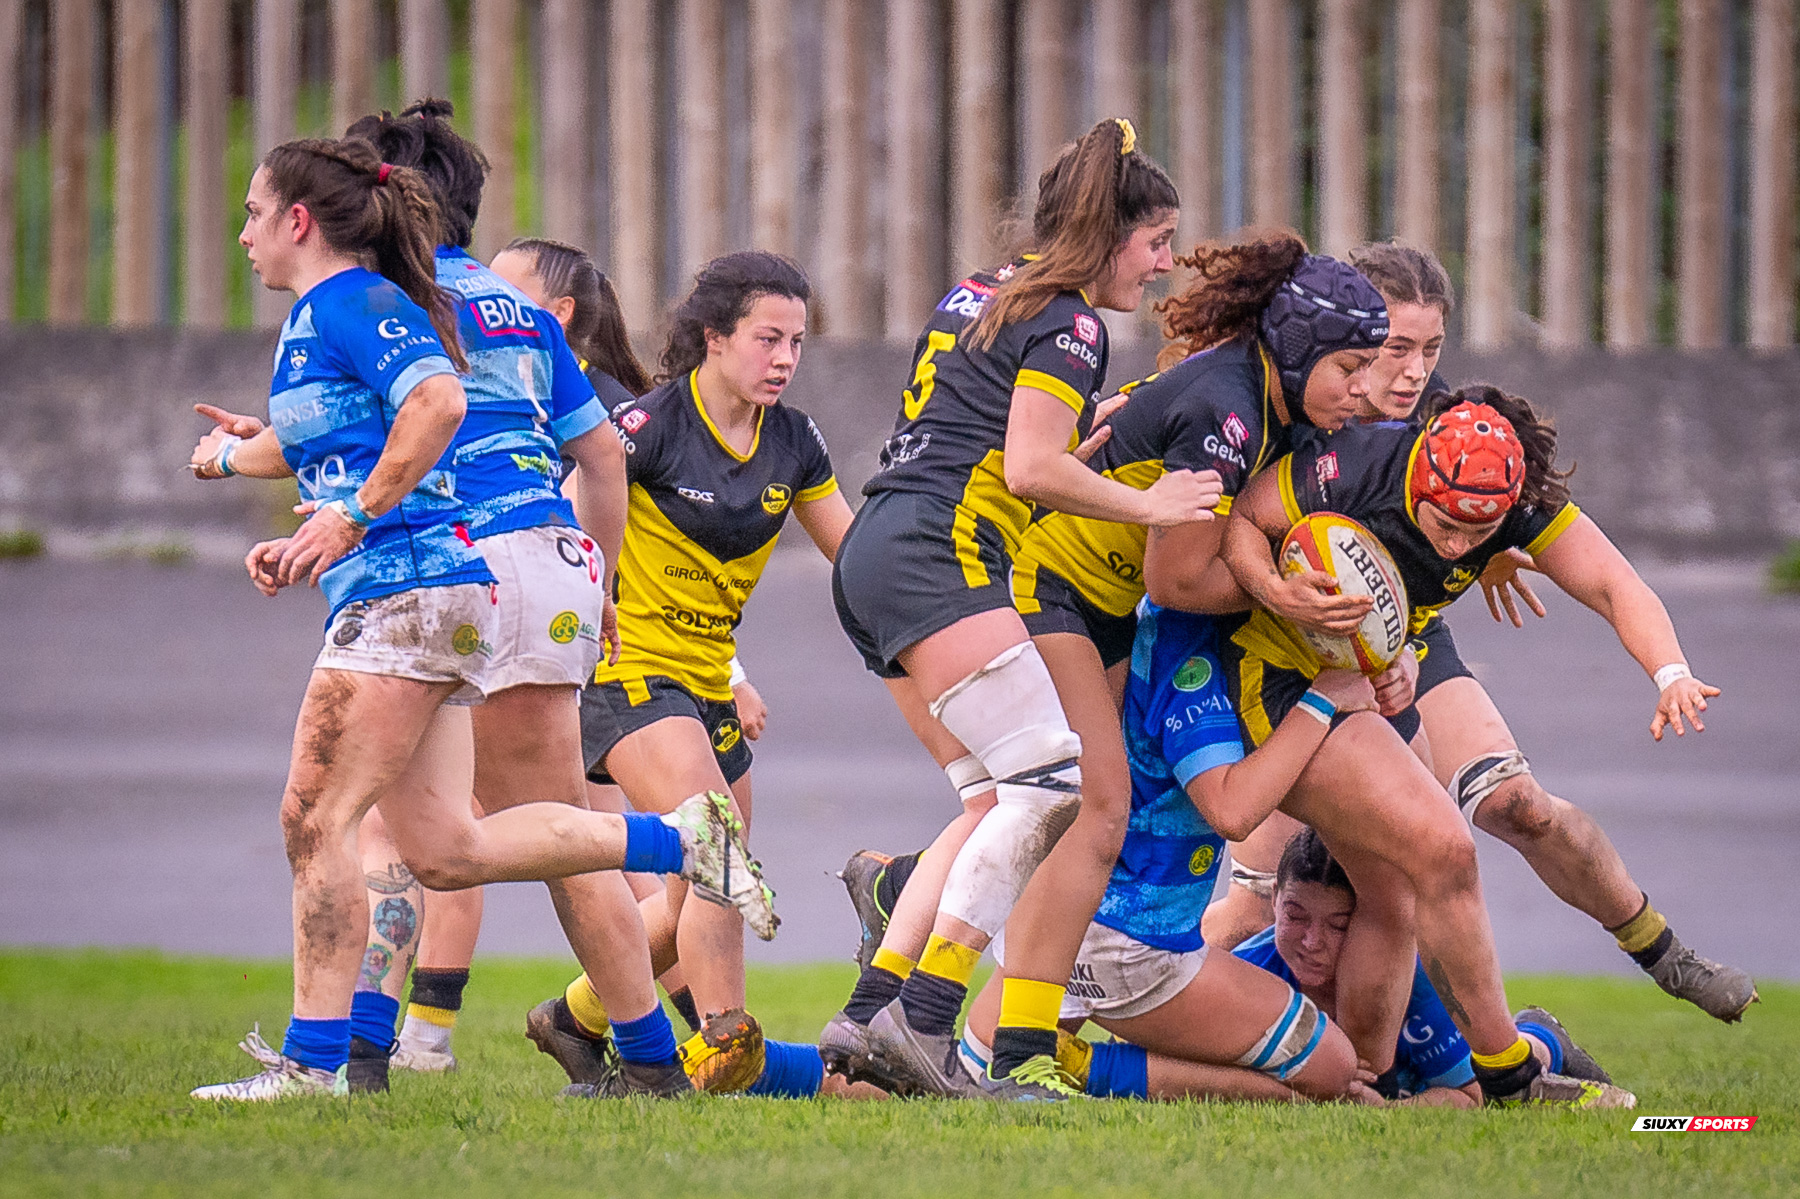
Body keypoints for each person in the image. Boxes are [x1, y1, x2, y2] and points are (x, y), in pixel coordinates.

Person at [184, 136, 769, 1101]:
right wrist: (239, 461)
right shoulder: (495, 313)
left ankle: (335, 1060)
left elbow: (435, 404)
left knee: (326, 820)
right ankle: (675, 867)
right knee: (448, 847)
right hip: (534, 574)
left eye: (253, 211)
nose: (241, 232)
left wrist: (347, 512)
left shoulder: (365, 300)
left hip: (429, 575)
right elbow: (584, 453)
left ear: (305, 218)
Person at [835, 234, 1394, 1091]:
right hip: (1051, 585)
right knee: (1091, 809)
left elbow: (1221, 539)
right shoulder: (1229, 408)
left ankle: (927, 948)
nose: (1365, 389)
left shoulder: (1258, 398)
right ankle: (980, 1033)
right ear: (1300, 347)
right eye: (1351, 366)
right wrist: (1288, 604)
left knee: (1051, 806)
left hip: (1088, 602)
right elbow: (1174, 575)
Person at [826, 117, 1225, 1099]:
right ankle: (924, 1019)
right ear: (1107, 231)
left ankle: (869, 1006)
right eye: (1156, 240)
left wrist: (1075, 452)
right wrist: (1152, 500)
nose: (1166, 264)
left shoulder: (983, 290)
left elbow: (989, 436)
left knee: (997, 797)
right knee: (1056, 786)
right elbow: (1028, 466)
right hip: (938, 553)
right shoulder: (1075, 320)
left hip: (879, 546)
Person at [1229, 388, 1757, 1023]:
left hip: (1406, 642)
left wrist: (1671, 673)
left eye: (1429, 347)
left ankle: (1663, 954)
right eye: (1397, 345)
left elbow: (1614, 583)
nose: (1456, 548)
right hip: (1291, 652)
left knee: (1514, 807)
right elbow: (1243, 523)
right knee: (1276, 894)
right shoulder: (1349, 438)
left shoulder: (1491, 462)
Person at [527, 250, 858, 1097]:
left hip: (707, 684)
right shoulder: (649, 428)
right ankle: (723, 1047)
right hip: (625, 673)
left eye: (796, 341)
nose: (784, 358)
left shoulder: (795, 440)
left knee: (689, 894)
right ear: (714, 338)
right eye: (767, 338)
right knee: (717, 846)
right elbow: (563, 535)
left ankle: (575, 1016)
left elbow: (854, 559)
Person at [952, 599, 1378, 1102]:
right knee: (1330, 1067)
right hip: (1132, 949)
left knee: (961, 1077)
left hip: (1050, 928)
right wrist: (1323, 699)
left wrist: (1396, 663)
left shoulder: (1150, 627)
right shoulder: (1190, 657)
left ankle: (852, 1060)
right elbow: (1231, 811)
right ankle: (1085, 1067)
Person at [1232, 828, 1621, 1107]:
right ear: (1274, 898)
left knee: (1499, 1088)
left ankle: (1543, 1037)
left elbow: (1469, 1097)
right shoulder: (1246, 970)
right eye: (1295, 916)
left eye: (1338, 926)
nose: (1312, 942)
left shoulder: (1419, 978)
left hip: (1440, 1077)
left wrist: (1388, 1113)